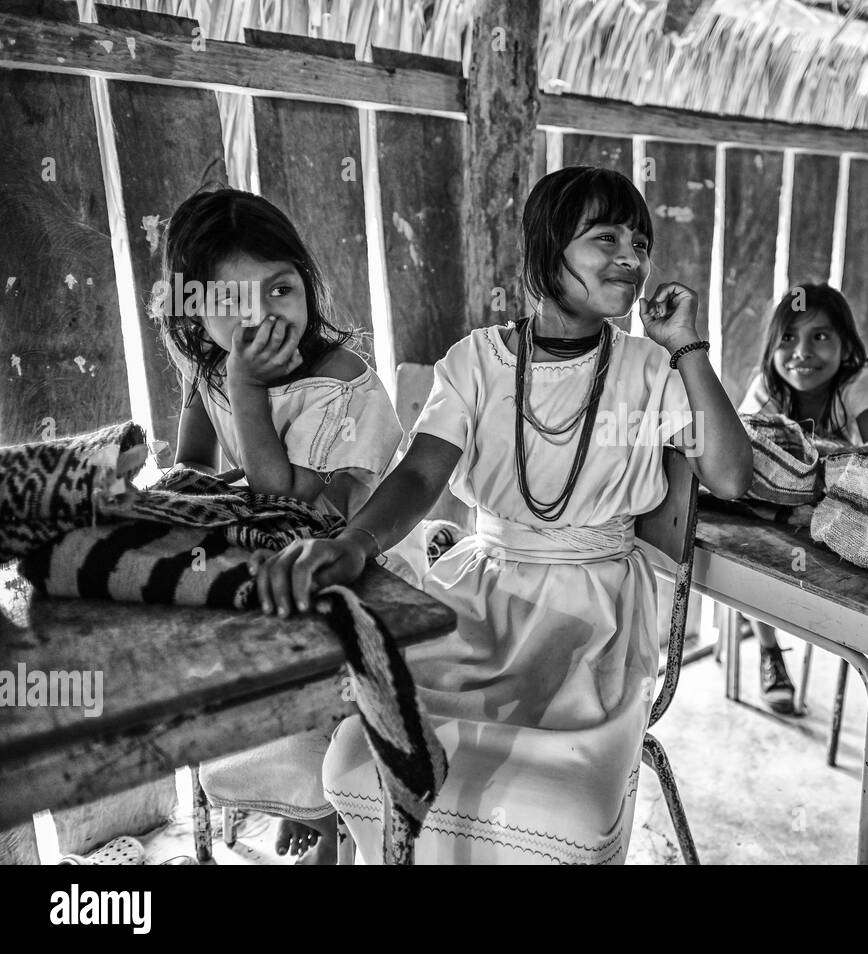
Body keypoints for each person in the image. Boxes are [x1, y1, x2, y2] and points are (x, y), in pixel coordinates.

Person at [251, 166, 753, 864]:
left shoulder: (649, 369)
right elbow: (423, 471)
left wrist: (689, 348)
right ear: (546, 252)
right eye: (604, 237)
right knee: (360, 748)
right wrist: (359, 541)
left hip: (595, 612)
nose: (631, 258)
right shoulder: (475, 362)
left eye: (640, 242)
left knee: (558, 793)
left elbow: (729, 472)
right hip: (484, 593)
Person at [153, 188, 425, 863]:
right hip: (272, 555)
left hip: (348, 565)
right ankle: (293, 804)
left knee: (318, 691)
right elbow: (194, 460)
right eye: (234, 307)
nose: (265, 319)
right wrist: (191, 496)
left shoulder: (344, 384)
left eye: (279, 290)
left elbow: (300, 500)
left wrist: (248, 392)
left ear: (304, 279)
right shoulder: (212, 371)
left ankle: (329, 824)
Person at [736, 283, 868, 713]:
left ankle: (827, 630)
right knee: (756, 562)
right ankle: (770, 649)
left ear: (846, 348)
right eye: (789, 338)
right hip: (777, 505)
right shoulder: (767, 388)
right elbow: (744, 447)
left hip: (833, 506)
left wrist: (824, 454)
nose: (802, 352)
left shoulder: (853, 384)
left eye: (820, 336)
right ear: (772, 348)